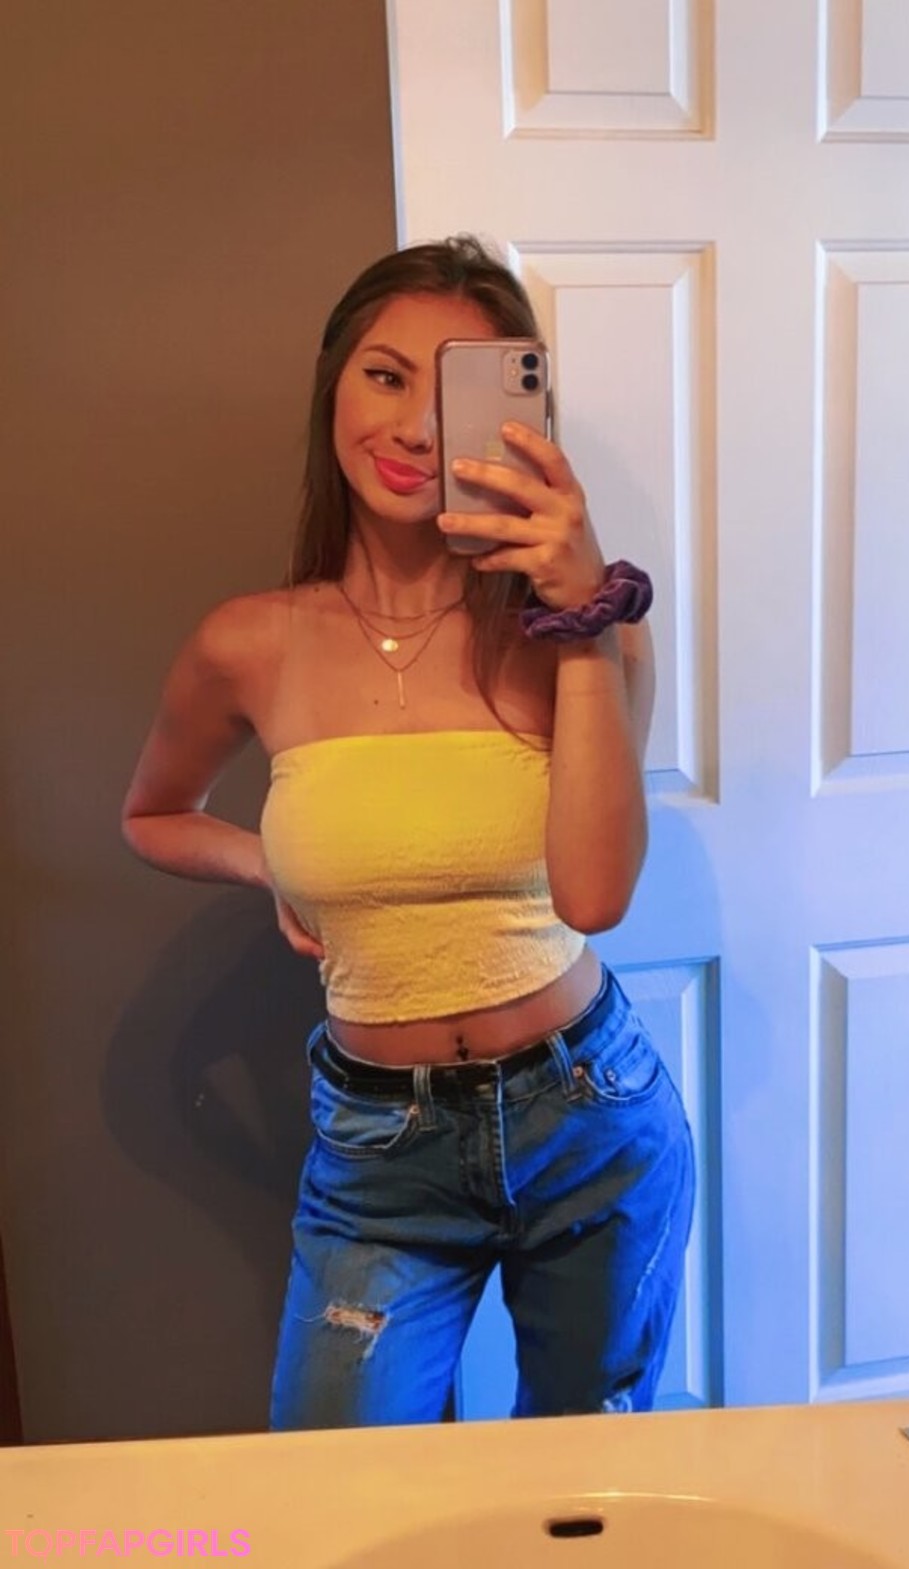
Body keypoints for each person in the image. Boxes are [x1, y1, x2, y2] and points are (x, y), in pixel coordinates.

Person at [121, 235, 695, 1428]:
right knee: (342, 1486)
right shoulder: (249, 643)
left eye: (456, 392)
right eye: (386, 376)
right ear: (333, 384)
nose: (418, 427)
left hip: (590, 1118)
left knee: (580, 1485)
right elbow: (154, 815)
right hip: (379, 1151)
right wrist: (272, 865)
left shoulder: (587, 633)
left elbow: (595, 896)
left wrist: (585, 619)